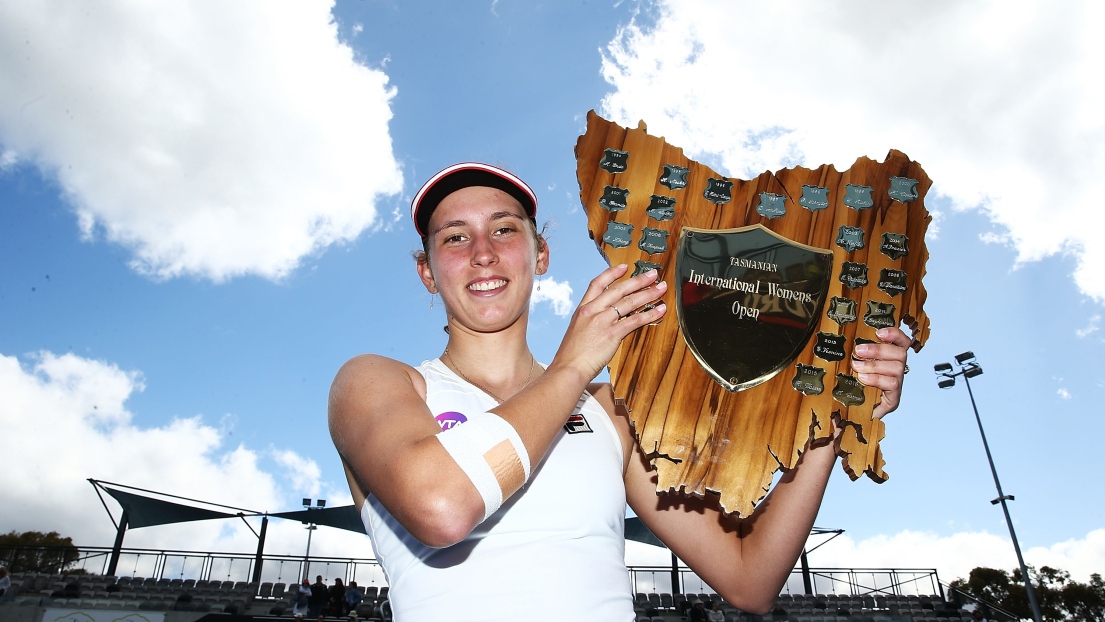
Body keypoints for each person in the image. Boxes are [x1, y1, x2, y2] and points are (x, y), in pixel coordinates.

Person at [328, 162, 911, 622]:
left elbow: (749, 577)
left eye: (505, 229)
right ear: (428, 272)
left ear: (541, 255)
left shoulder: (611, 410)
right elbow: (442, 507)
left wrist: (833, 415)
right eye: (455, 238)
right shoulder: (378, 382)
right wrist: (574, 366)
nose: (483, 252)